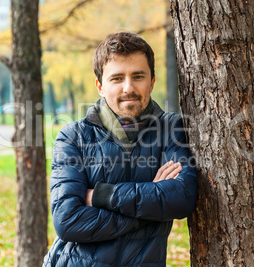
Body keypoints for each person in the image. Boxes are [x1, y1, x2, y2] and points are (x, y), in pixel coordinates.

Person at [43, 32, 198, 267]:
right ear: (100, 86)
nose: (129, 88)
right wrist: (152, 205)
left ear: (152, 81)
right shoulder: (73, 137)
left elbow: (182, 197)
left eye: (138, 76)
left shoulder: (170, 128)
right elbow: (68, 221)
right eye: (117, 78)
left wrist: (100, 195)